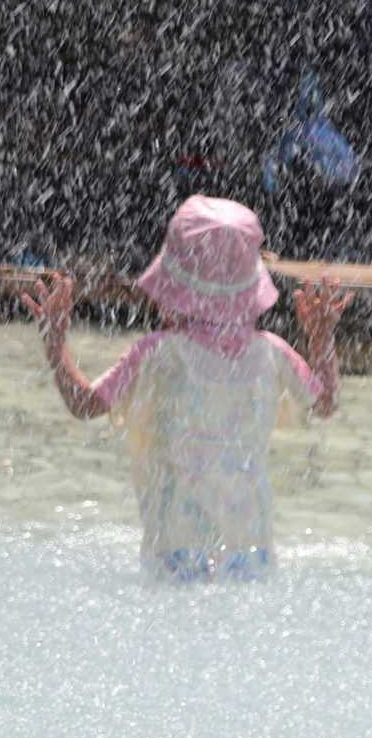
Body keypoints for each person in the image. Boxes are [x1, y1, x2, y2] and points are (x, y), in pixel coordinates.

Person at [24, 195, 346, 582]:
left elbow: (83, 404)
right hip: (250, 554)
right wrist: (321, 340)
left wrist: (55, 343)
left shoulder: (157, 353)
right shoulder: (271, 352)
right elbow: (326, 404)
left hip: (175, 553)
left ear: (170, 284)